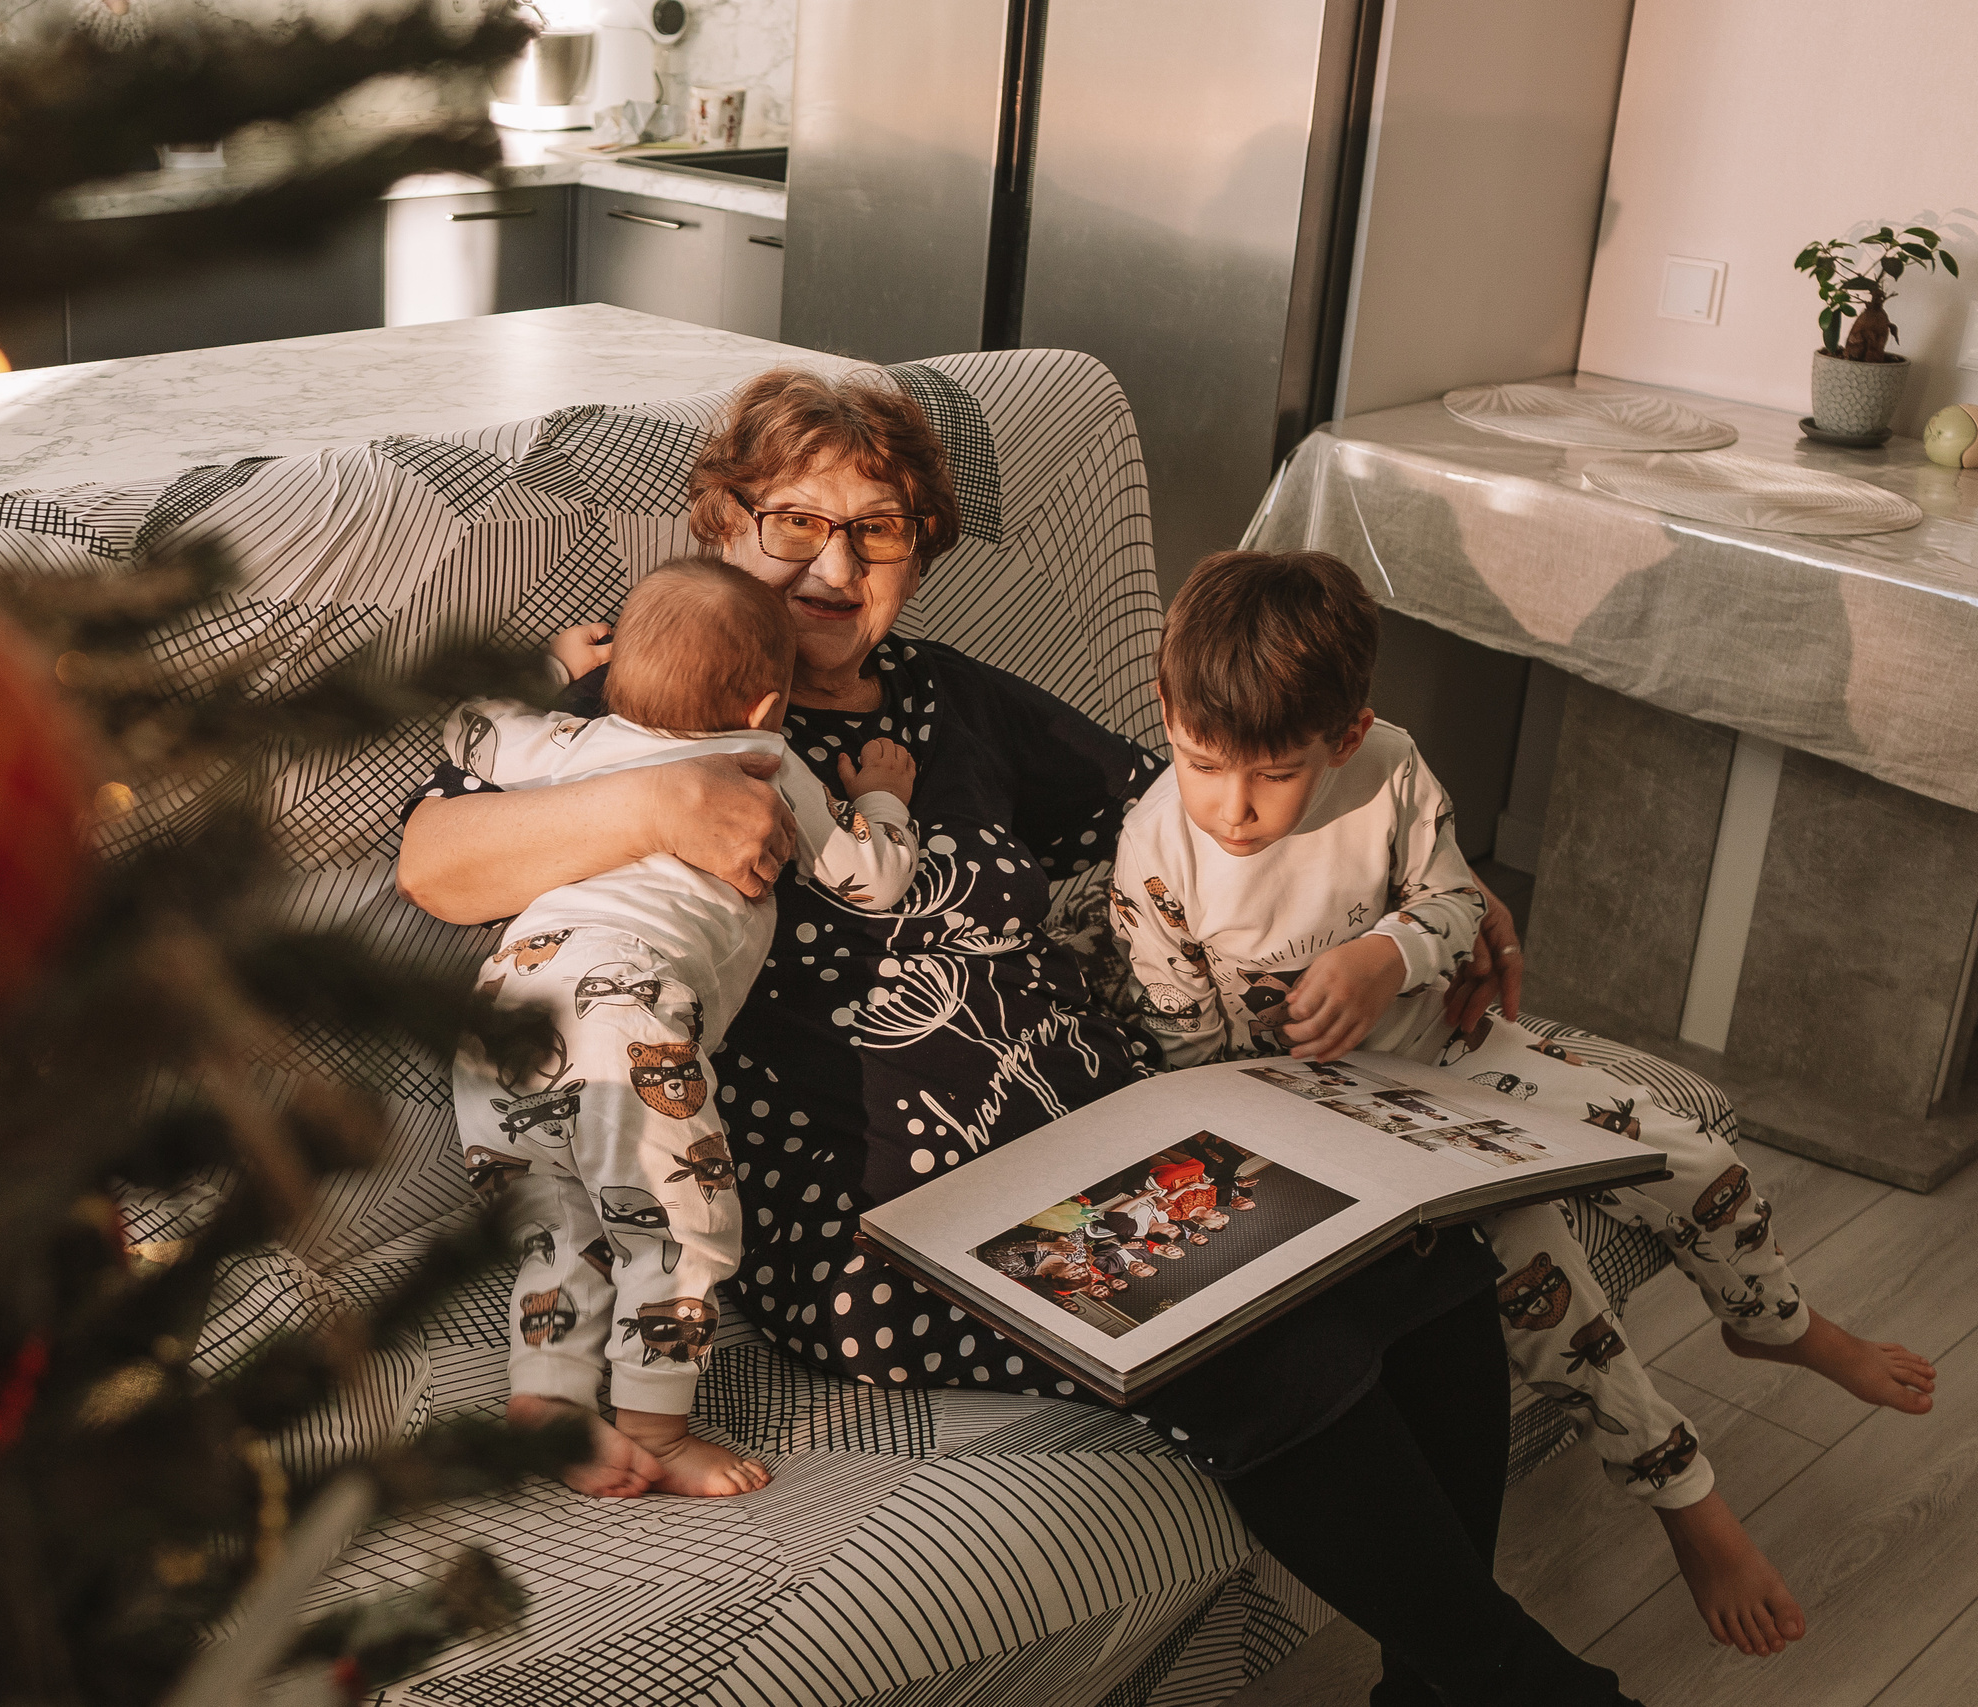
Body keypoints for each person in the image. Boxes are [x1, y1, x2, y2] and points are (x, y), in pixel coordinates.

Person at [399, 366, 1644, 1703]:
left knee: (1420, 1255)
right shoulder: (646, 699)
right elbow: (437, 858)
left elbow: (1196, 795)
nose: (833, 560)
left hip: (1113, 1128)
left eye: (877, 527)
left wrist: (1425, 900)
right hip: (895, 1211)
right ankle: (1533, 1687)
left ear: (918, 553)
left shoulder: (957, 701)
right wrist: (663, 806)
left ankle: (1435, 1682)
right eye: (794, 520)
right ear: (718, 520)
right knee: (1245, 1328)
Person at [1111, 547, 1939, 1661]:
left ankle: (1774, 1324)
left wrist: (1383, 956)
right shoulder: (1155, 852)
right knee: (1548, 1287)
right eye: (1201, 762)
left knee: (1686, 1155)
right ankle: (1683, 1491)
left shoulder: (1390, 769)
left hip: (1458, 1053)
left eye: (1271, 774)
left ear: (1344, 738)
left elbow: (1455, 902)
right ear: (1163, 709)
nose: (1234, 808)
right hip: (1334, 1128)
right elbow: (1185, 1060)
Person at [448, 558, 920, 1499]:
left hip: (502, 1011)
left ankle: (548, 1402)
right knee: (676, 1223)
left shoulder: (576, 742)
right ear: (765, 706)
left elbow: (472, 735)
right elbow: (873, 877)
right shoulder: (764, 761)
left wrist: (546, 668)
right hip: (628, 1012)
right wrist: (882, 797)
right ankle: (657, 1428)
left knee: (556, 1220)